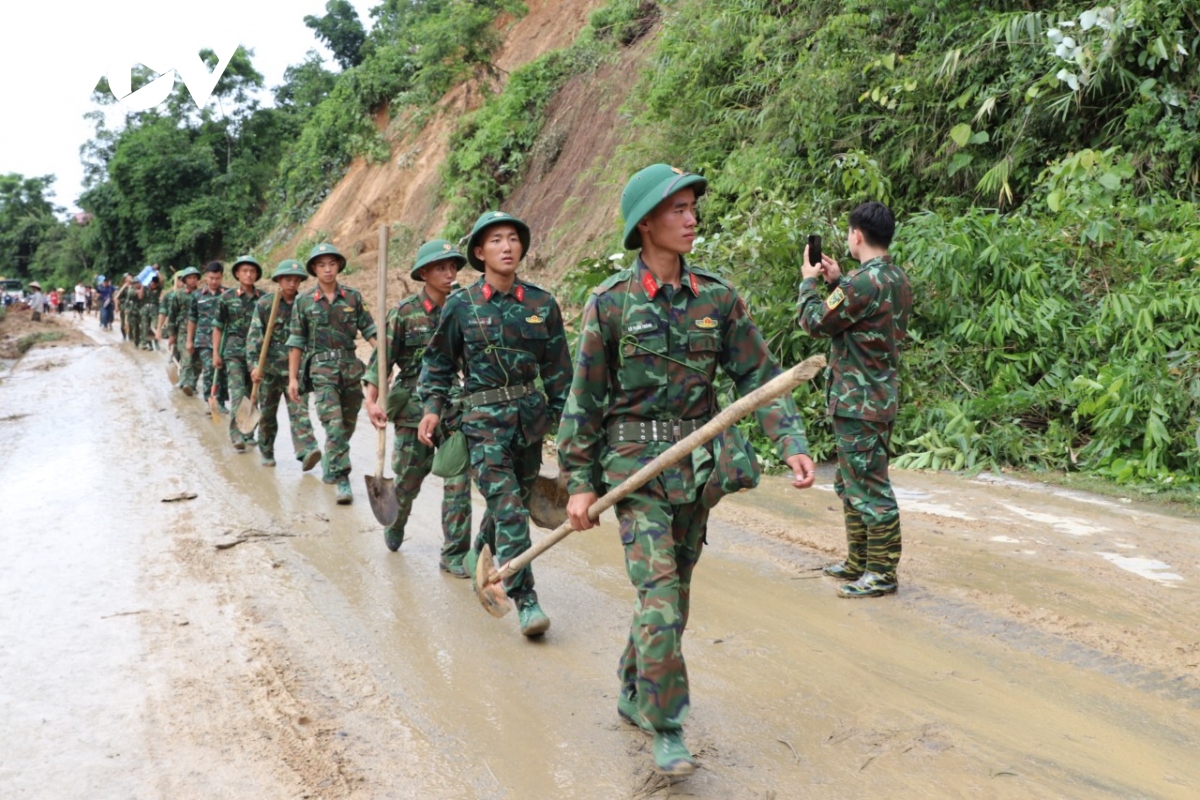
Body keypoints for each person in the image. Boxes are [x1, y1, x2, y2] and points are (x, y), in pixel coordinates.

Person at [555, 164, 817, 777]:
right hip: (633, 472)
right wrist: (579, 481)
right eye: (676, 209)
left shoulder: (717, 299)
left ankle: (633, 687)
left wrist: (790, 438)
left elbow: (758, 375)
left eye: (693, 206)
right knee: (660, 599)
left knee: (675, 595)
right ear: (645, 222)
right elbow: (584, 399)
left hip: (698, 469)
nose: (691, 218)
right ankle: (666, 722)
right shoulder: (611, 304)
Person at [418, 211, 571, 636]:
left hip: (529, 422)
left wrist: (567, 428)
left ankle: (476, 554)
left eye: (513, 240)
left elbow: (560, 372)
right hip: (482, 422)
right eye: (496, 240)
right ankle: (525, 599)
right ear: (480, 252)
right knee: (509, 511)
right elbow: (438, 362)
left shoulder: (542, 304)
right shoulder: (461, 306)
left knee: (514, 503)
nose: (506, 247)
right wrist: (432, 406)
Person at [797, 200, 912, 598]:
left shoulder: (861, 283)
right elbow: (859, 316)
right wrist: (838, 280)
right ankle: (858, 562)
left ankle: (881, 573)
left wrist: (810, 282)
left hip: (858, 401)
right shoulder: (894, 277)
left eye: (848, 233)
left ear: (856, 235)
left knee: (869, 487)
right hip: (875, 396)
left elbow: (815, 323)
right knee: (850, 482)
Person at [364, 240, 472, 573]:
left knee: (458, 480)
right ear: (423, 273)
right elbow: (380, 361)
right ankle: (396, 521)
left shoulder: (464, 310)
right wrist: (370, 401)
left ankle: (453, 552)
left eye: (453, 267)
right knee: (408, 483)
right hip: (411, 409)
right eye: (441, 267)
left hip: (452, 407)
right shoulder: (404, 313)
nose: (449, 273)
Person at [287, 243, 377, 505]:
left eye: (332, 264)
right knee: (334, 425)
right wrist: (293, 378)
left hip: (350, 369)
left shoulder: (353, 297)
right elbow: (296, 341)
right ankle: (342, 478)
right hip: (321, 371)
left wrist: (382, 357)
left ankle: (331, 459)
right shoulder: (304, 302)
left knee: (346, 426)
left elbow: (370, 330)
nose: (327, 269)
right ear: (314, 269)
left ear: (338, 266)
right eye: (321, 265)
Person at [246, 260, 321, 470]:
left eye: (296, 280)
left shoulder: (304, 303)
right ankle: (267, 450)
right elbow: (254, 338)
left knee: (299, 410)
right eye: (288, 279)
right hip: (269, 370)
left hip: (295, 372)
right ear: (279, 280)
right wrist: (254, 367)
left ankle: (307, 450)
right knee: (268, 415)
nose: (292, 284)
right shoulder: (266, 305)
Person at [213, 257, 264, 452]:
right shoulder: (226, 298)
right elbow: (218, 327)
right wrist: (216, 353)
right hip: (233, 352)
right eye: (245, 271)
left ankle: (249, 431)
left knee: (253, 394)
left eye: (252, 271)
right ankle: (236, 434)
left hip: (257, 353)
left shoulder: (264, 299)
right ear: (237, 274)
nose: (249, 274)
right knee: (237, 392)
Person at [186, 262, 227, 409]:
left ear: (222, 277)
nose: (214, 281)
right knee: (210, 368)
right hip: (204, 339)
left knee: (223, 370)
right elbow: (192, 319)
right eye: (211, 278)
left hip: (224, 340)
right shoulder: (197, 296)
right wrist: (189, 340)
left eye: (217, 278)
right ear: (206, 278)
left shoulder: (228, 295)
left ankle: (221, 400)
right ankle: (211, 400)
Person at [161, 268, 201, 393]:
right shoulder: (178, 295)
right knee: (187, 358)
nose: (192, 280)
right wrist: (172, 334)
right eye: (189, 277)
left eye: (195, 277)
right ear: (184, 280)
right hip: (182, 331)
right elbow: (172, 315)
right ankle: (185, 383)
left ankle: (192, 384)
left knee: (198, 362)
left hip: (200, 332)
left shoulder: (202, 294)